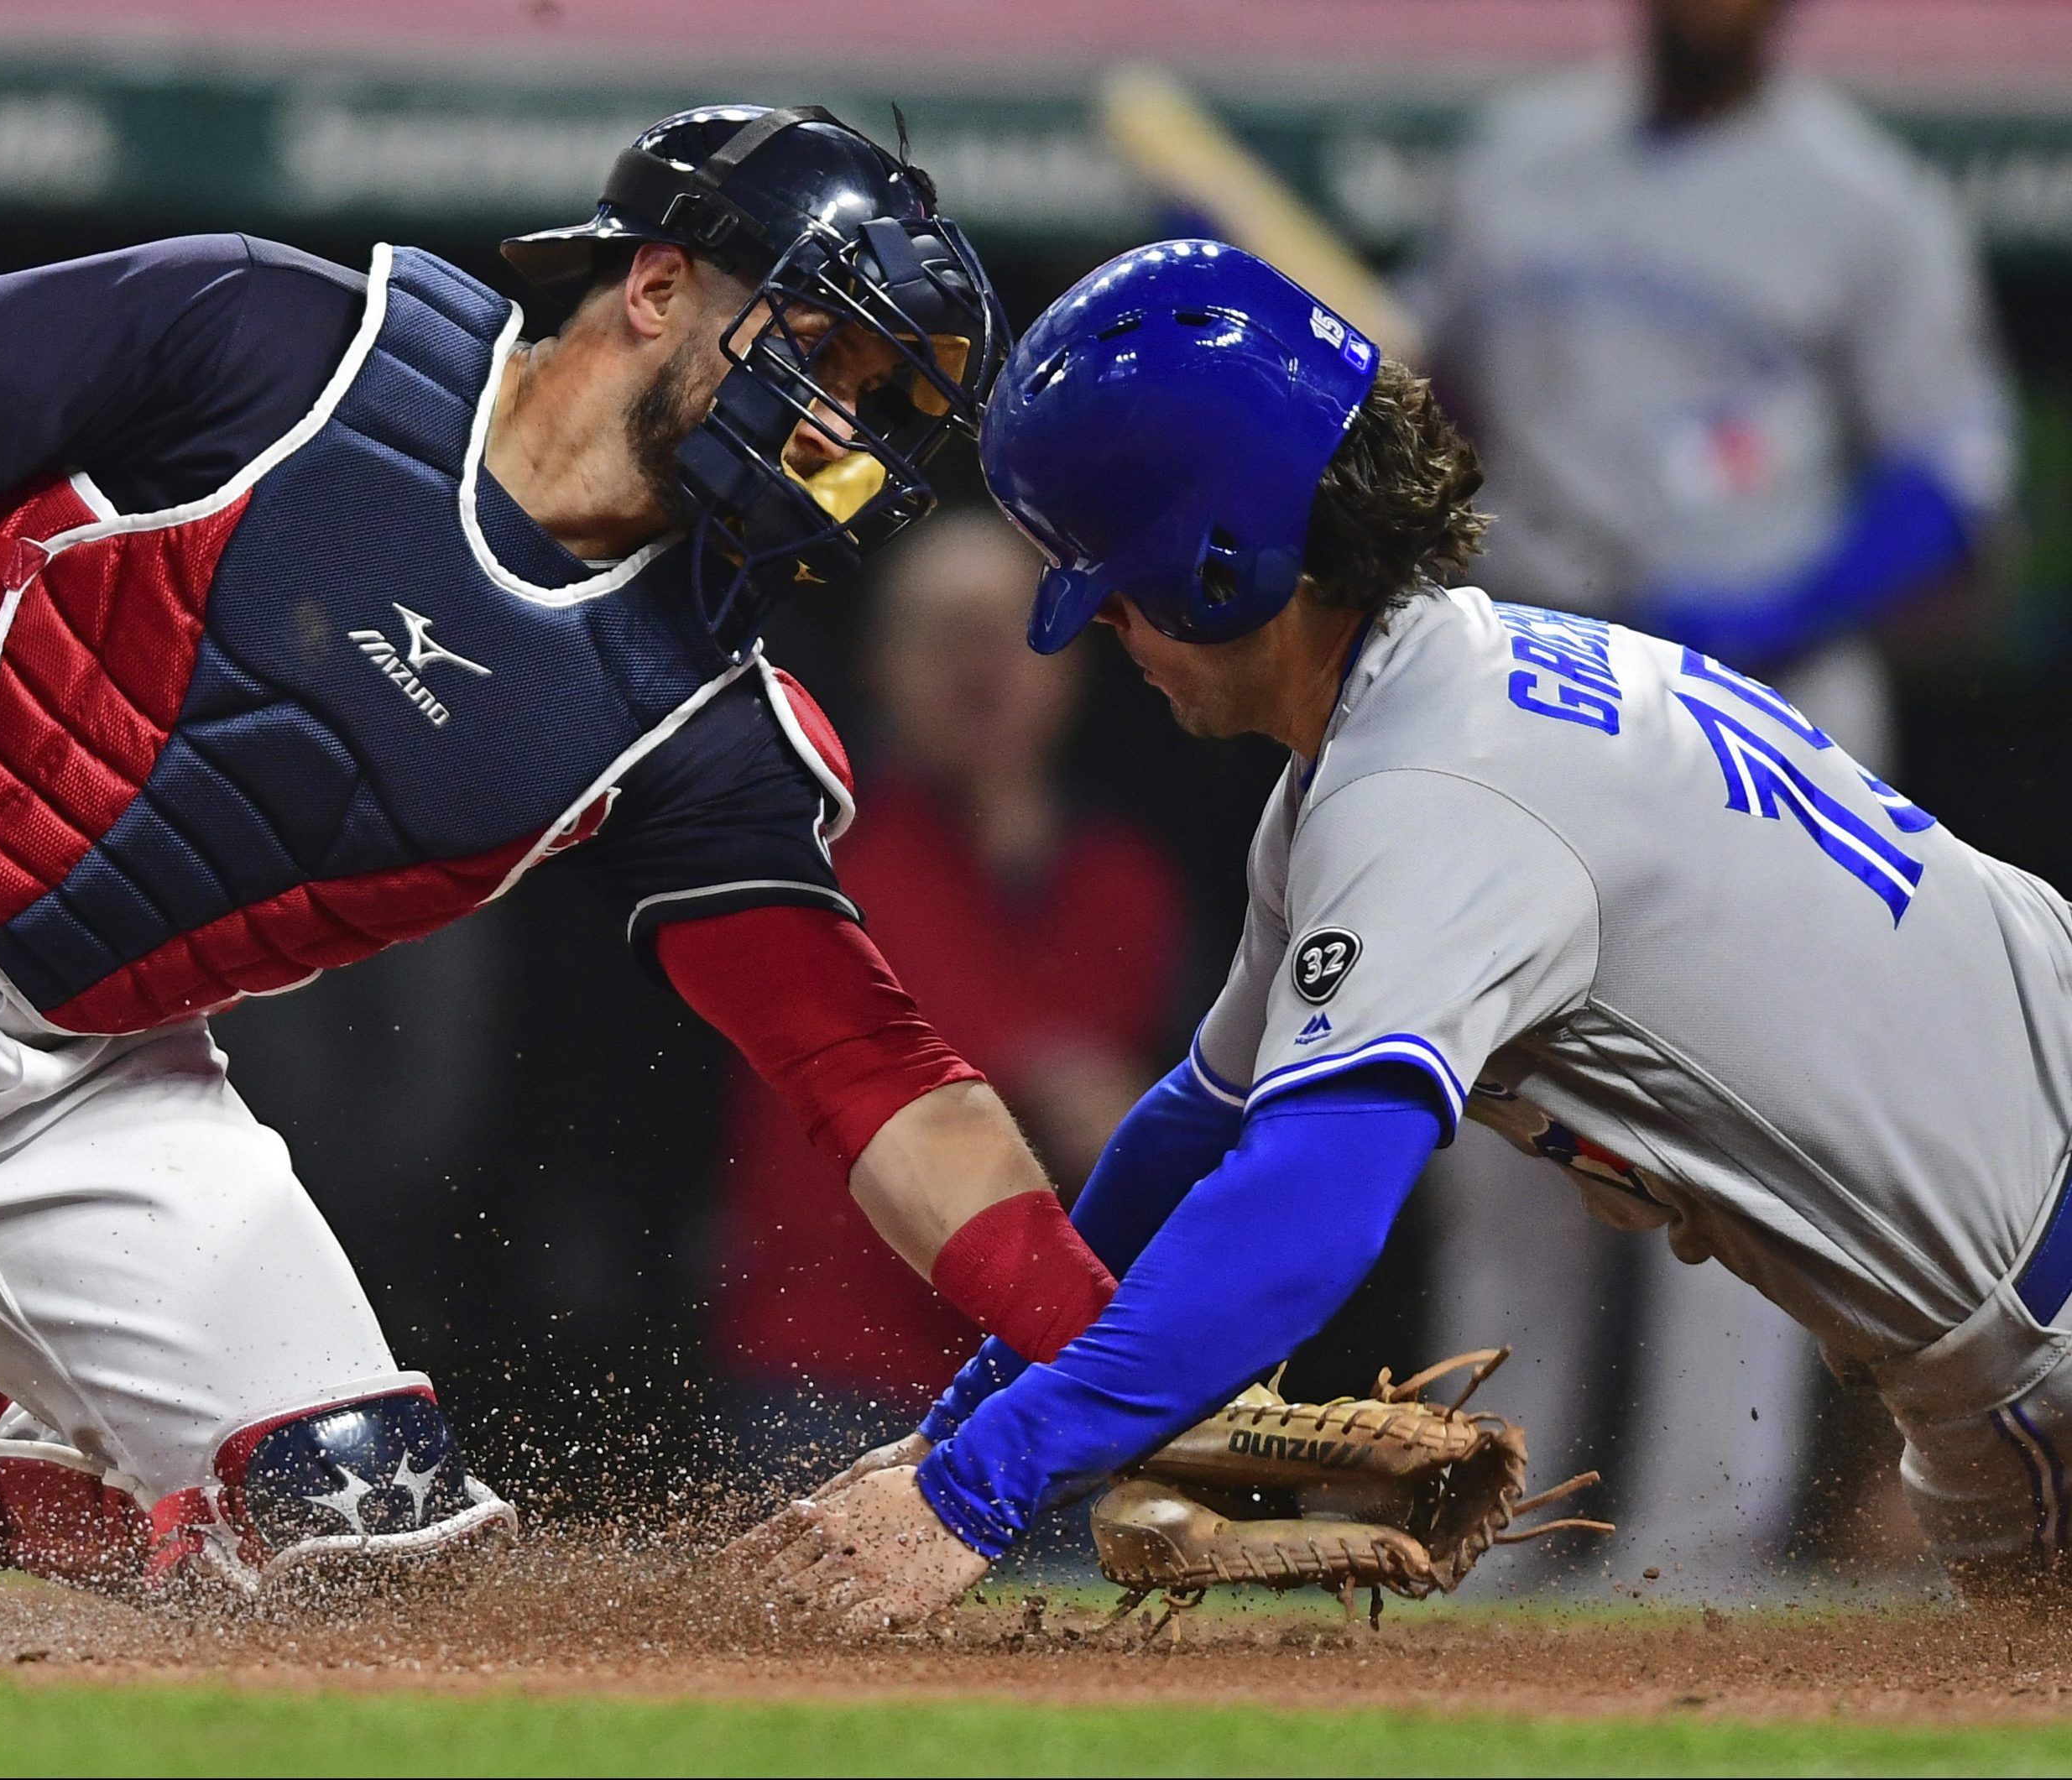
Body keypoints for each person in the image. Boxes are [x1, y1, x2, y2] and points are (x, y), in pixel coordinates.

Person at [0, 105, 1130, 1609]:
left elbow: (876, 1076)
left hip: (83, 1074)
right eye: (823, 354)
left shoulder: (697, 724)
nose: (840, 424)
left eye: (881, 402)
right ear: (657, 286)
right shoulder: (290, 339)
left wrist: (1128, 1372)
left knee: (363, 1542)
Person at [752, 240, 2072, 1628]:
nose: (1107, 629)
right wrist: (950, 1440)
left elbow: (1297, 1221)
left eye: (1109, 580)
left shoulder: (1423, 790)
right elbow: (1189, 1135)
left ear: (1216, 560)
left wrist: (979, 1491)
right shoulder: (1432, 705)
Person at [1405, 0, 2015, 1583]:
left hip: (1764, 718)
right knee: (1497, 1129)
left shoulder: (1862, 194)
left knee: (1730, 1149)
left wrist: (1780, 602)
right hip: (1540, 689)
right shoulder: (1518, 155)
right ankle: (1493, 1533)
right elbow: (1424, 387)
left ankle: (1690, 1556)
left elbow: (1950, 478)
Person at [714, 514, 1183, 1457]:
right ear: (879, 665)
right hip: (833, 1382)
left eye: (1011, 632)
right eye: (944, 635)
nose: (983, 668)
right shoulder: (809, 860)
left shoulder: (1131, 888)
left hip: (1060, 1387)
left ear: (1071, 661)